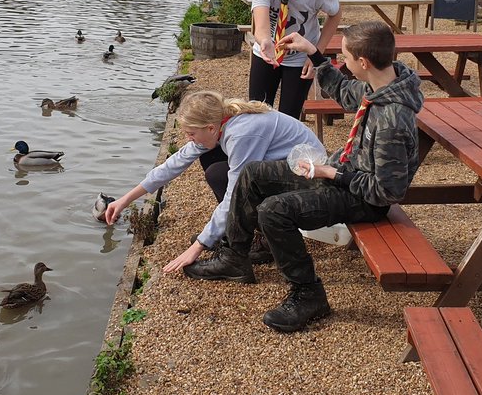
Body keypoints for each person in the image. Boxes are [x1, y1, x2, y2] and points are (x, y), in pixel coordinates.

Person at [184, 21, 425, 333]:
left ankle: (309, 293)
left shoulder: (392, 118)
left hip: (360, 197)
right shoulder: (379, 86)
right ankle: (234, 258)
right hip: (343, 176)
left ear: (363, 63)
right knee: (253, 173)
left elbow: (387, 191)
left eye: (346, 57)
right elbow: (345, 92)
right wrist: (315, 54)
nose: (345, 63)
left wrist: (331, 172)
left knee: (274, 211)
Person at [103, 90, 324, 274]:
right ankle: (243, 233)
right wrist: (124, 200)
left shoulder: (242, 134)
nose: (189, 138)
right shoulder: (221, 122)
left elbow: (235, 193)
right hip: (287, 170)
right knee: (215, 168)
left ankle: (244, 252)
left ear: (210, 128)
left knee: (222, 175)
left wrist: (199, 245)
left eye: (190, 133)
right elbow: (174, 163)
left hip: (308, 183)